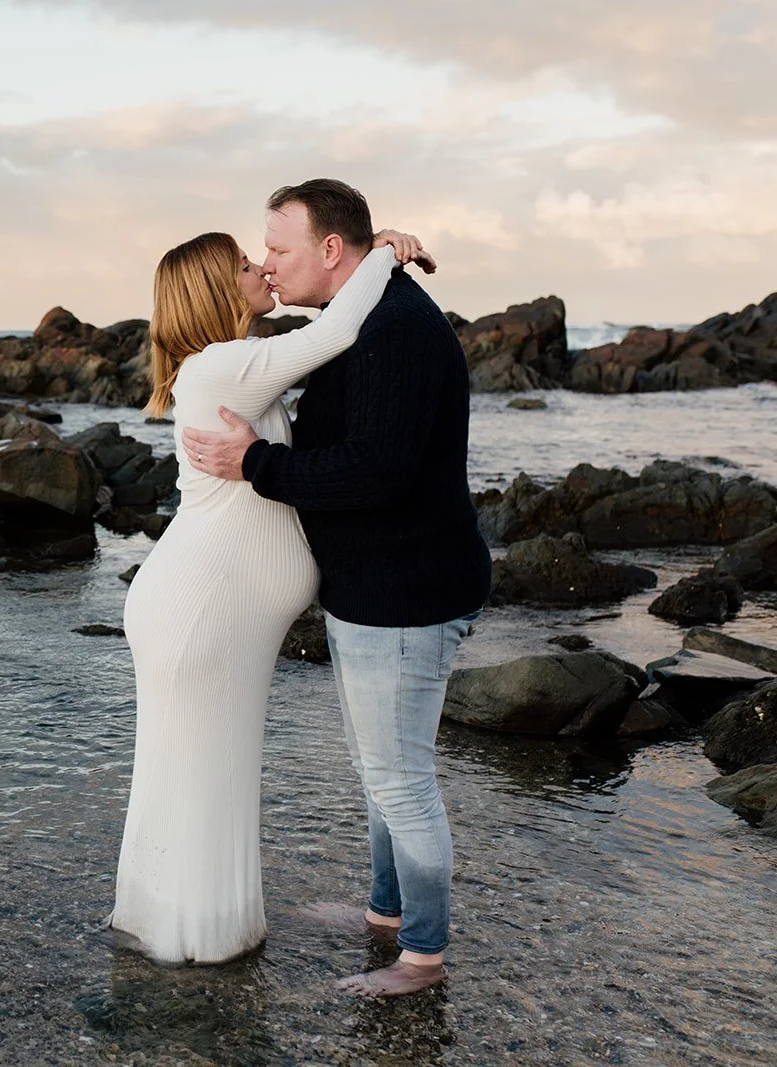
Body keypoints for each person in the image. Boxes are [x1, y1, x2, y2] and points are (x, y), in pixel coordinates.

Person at [181, 179, 492, 997]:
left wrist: (255, 462)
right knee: (380, 767)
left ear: (329, 250)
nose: (269, 266)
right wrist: (385, 249)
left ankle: (422, 955)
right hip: (375, 587)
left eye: (278, 249)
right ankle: (386, 914)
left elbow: (378, 470)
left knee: (401, 778)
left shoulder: (390, 328)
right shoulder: (360, 315)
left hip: (407, 591)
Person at [115, 225, 431, 967]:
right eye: (243, 264)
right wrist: (384, 250)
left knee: (199, 779)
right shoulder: (224, 366)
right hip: (200, 613)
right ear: (217, 291)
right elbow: (343, 326)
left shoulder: (223, 367)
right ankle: (199, 947)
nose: (260, 268)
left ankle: (182, 941)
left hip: (201, 608)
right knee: (201, 780)